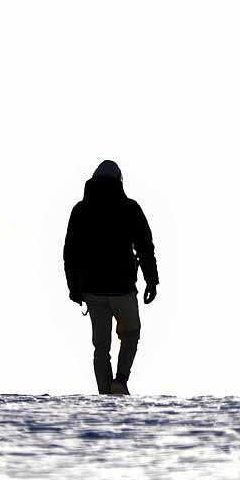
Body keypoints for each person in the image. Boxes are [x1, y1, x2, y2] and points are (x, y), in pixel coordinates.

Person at [63, 160, 159, 395]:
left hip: (92, 290)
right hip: (122, 288)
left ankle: (106, 394)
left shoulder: (80, 210)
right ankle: (121, 380)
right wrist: (151, 281)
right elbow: (145, 247)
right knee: (131, 334)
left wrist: (74, 288)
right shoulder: (130, 208)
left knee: (101, 346)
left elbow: (70, 253)